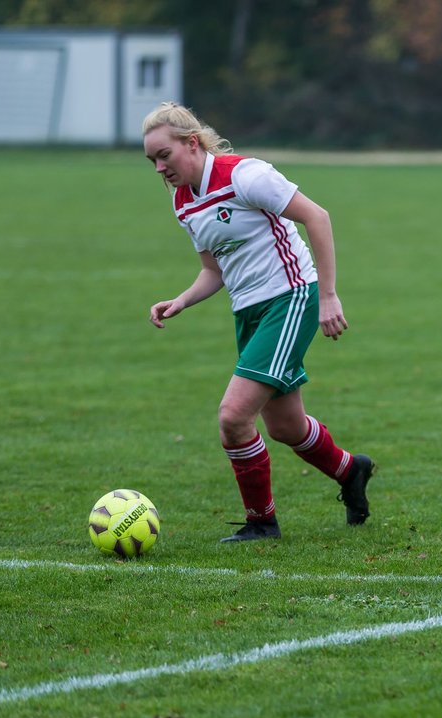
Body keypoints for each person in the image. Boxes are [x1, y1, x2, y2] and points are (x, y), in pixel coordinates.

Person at [142, 102, 374, 542]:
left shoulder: (246, 175)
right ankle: (350, 471)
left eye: (164, 155)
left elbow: (317, 217)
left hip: (290, 299)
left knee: (233, 417)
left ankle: (261, 522)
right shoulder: (183, 202)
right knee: (285, 426)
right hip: (248, 312)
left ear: (191, 143)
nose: (158, 167)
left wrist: (327, 296)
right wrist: (181, 300)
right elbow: (214, 272)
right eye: (151, 160)